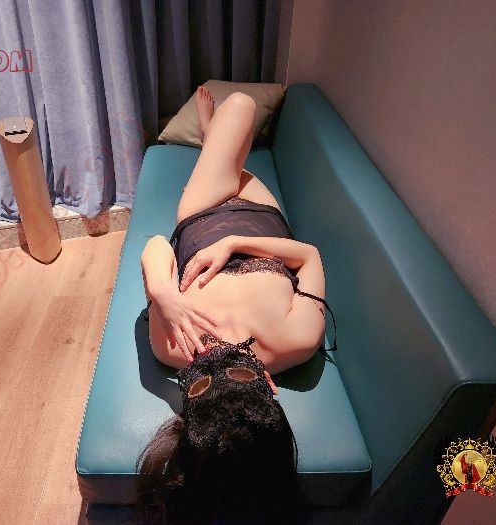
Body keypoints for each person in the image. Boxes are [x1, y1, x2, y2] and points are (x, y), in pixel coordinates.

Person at [137, 86, 336, 524]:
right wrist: (235, 243)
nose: (216, 355)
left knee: (241, 109)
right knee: (241, 109)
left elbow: (156, 246)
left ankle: (212, 139)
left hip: (202, 212)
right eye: (240, 373)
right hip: (260, 220)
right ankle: (212, 138)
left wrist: (164, 295)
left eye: (201, 384)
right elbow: (309, 256)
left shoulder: (173, 344)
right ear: (269, 382)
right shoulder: (297, 339)